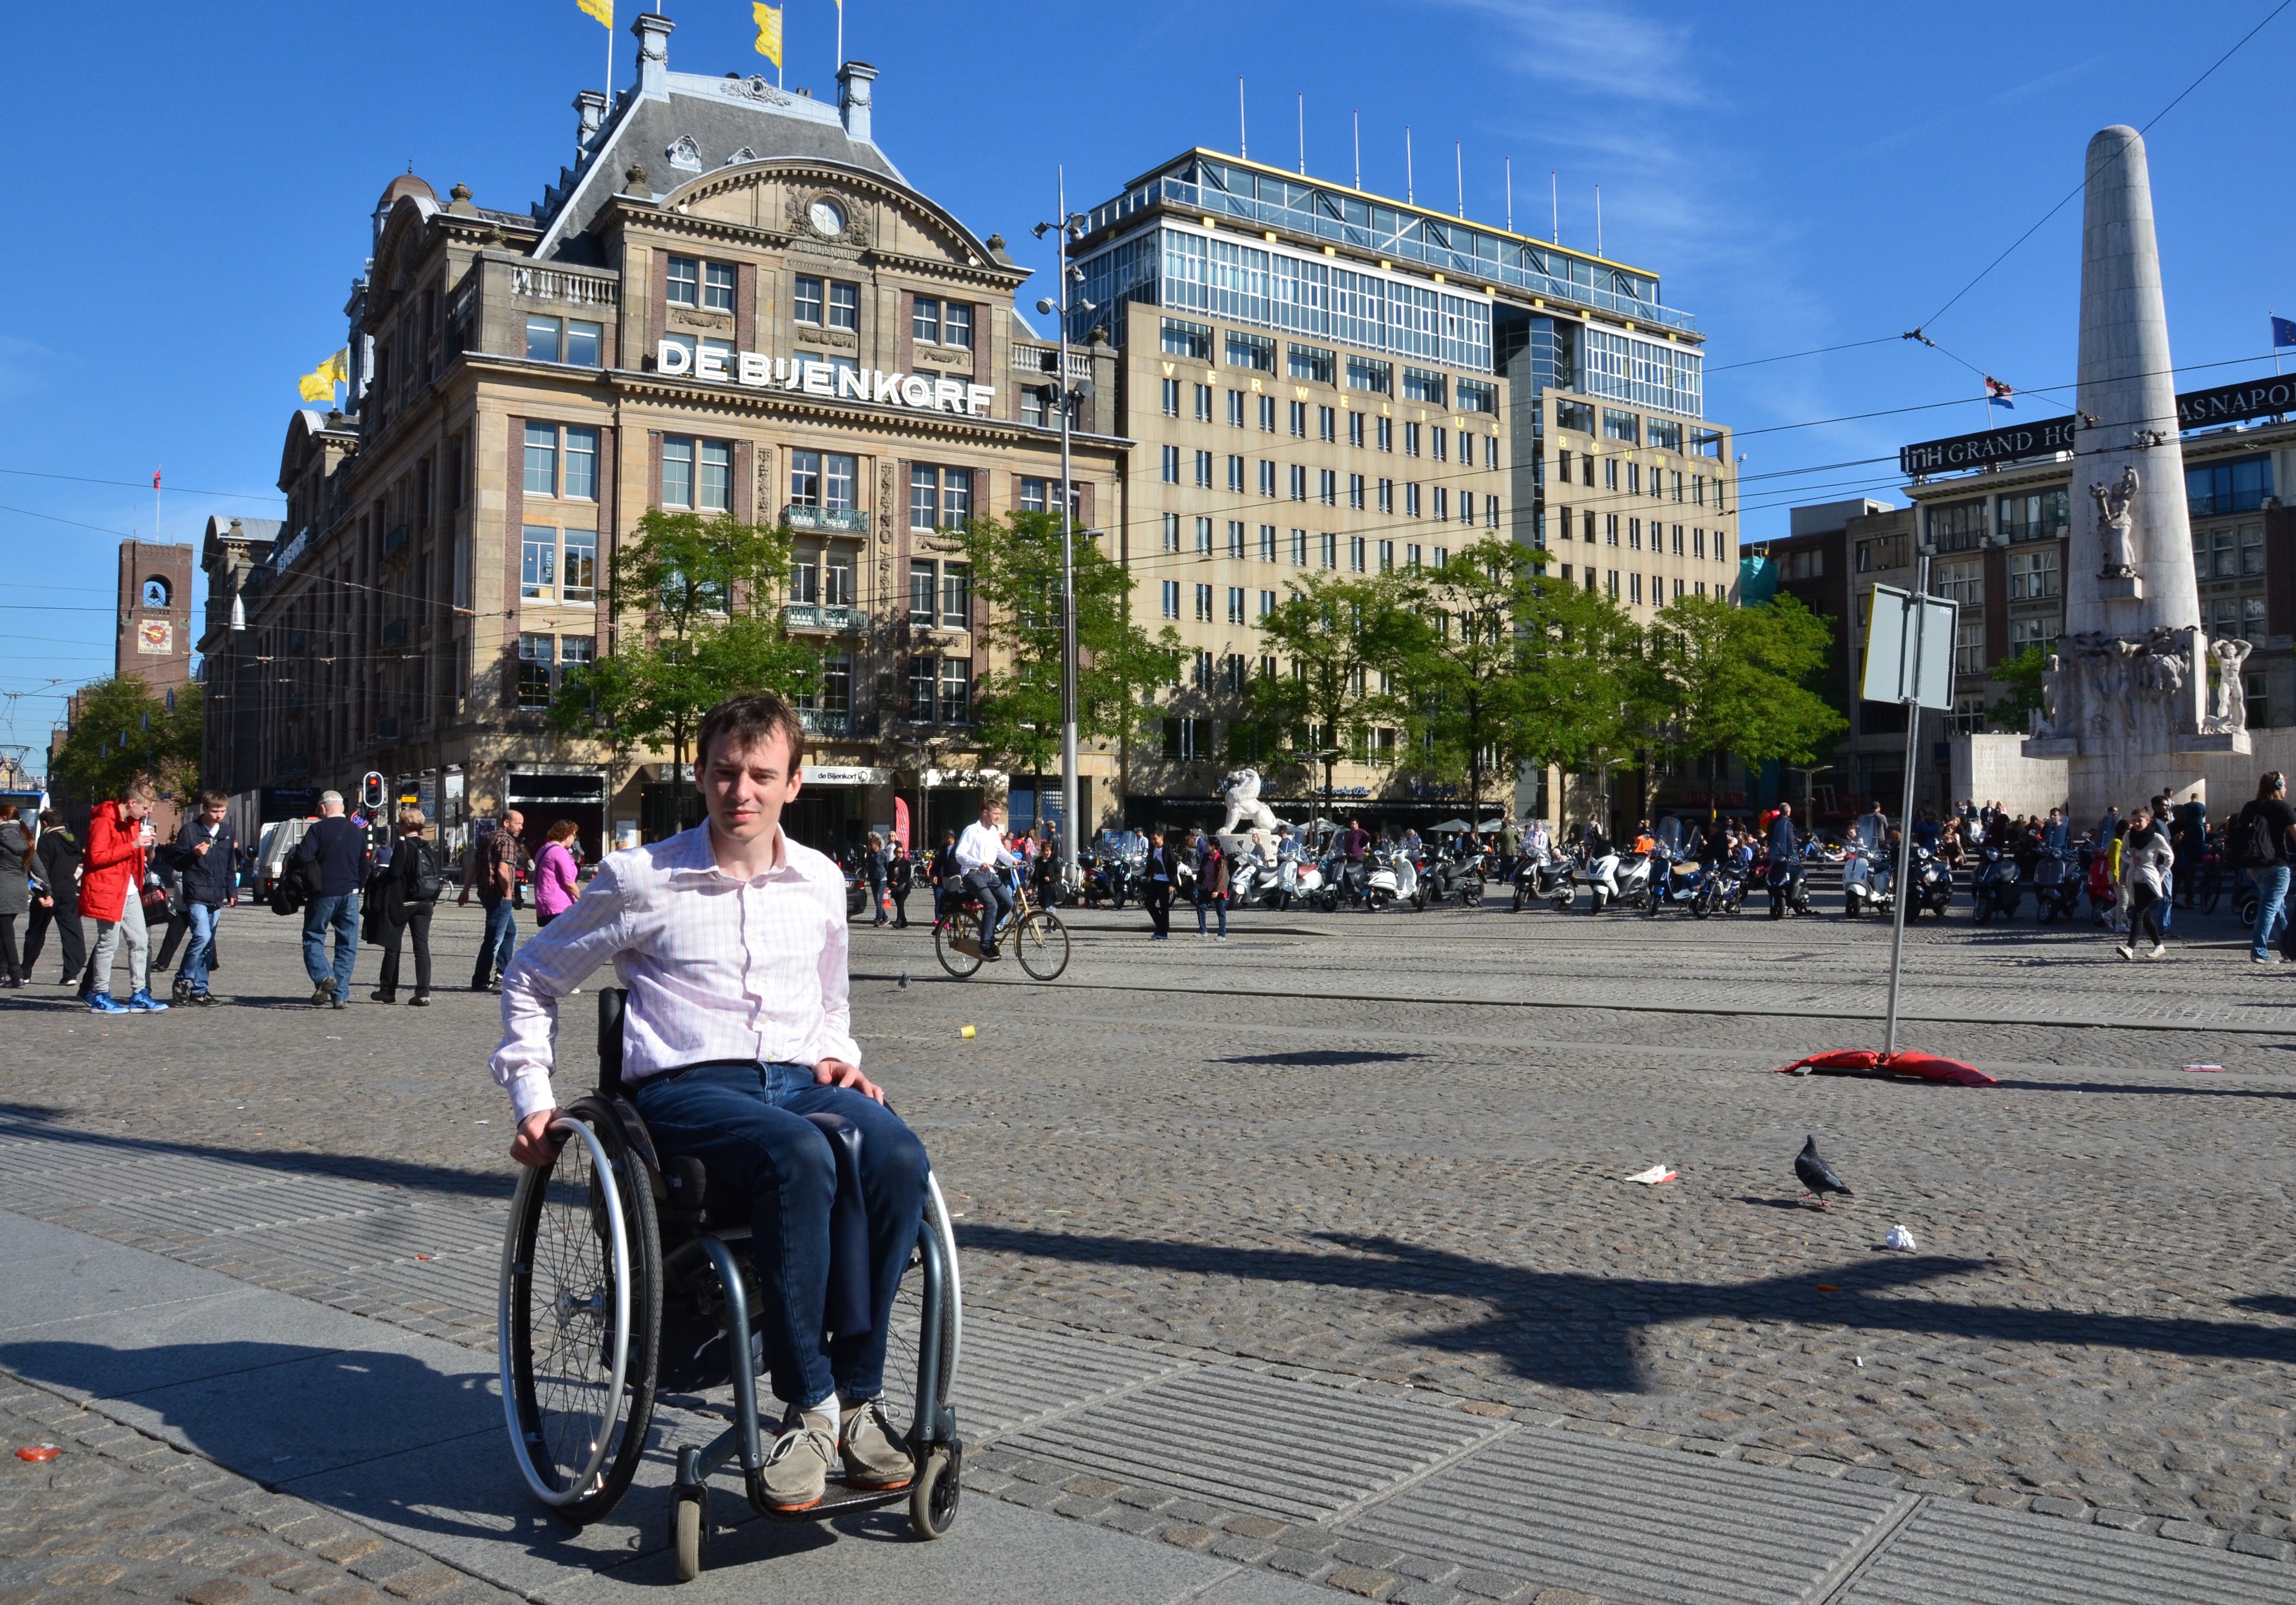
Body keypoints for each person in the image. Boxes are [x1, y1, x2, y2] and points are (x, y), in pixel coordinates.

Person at [492, 692, 926, 1514]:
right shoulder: (640, 879)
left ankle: (859, 1400)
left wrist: (840, 1053)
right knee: (796, 1154)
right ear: (698, 774)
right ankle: (811, 1407)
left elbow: (830, 997)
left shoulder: (820, 880)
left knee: (898, 1152)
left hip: (801, 1079)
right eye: (726, 772)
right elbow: (531, 976)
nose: (741, 792)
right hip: (689, 1090)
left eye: (761, 775)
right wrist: (532, 1096)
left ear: (794, 783)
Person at [81, 776, 167, 1013]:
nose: (148, 813)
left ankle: (140, 994)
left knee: (140, 940)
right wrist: (133, 845)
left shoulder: (132, 821)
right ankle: (100, 994)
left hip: (129, 888)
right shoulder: (104, 820)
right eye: (146, 808)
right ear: (132, 803)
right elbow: (95, 857)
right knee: (108, 943)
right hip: (107, 888)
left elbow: (139, 858)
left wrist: (149, 846)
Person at [293, 789, 369, 1009]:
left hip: (323, 893)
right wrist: (357, 887)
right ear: (342, 808)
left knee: (313, 937)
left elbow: (303, 857)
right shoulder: (356, 831)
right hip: (350, 894)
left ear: (323, 808)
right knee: (347, 944)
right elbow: (365, 866)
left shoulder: (317, 829)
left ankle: (324, 977)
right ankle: (340, 996)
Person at [159, 791, 236, 1006]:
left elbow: (230, 865)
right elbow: (177, 863)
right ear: (205, 809)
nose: (219, 815)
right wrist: (192, 854)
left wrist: (232, 891)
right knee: (202, 936)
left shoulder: (227, 831)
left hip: (217, 893)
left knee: (208, 943)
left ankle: (200, 990)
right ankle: (183, 979)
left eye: (223, 811)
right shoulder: (191, 831)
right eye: (215, 811)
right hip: (196, 892)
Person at [369, 808, 440, 1004]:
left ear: (405, 825)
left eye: (400, 823)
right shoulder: (427, 847)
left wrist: (379, 877)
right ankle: (423, 993)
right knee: (422, 948)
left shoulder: (403, 846)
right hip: (426, 902)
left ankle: (388, 990)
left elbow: (395, 873)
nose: (399, 827)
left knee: (393, 945)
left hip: (405, 902)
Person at [460, 811, 525, 991]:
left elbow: (474, 866)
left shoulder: (488, 838)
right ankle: (481, 980)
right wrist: (508, 894)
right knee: (494, 939)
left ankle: (502, 973)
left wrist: (465, 891)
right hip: (499, 896)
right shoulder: (507, 841)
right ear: (506, 823)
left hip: (486, 894)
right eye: (518, 823)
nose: (521, 827)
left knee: (510, 932)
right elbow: (503, 871)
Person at [2235, 772, 2296, 964]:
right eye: (2284, 784)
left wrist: (2247, 866)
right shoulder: (2284, 807)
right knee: (2269, 909)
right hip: (2278, 866)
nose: (2286, 788)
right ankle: (2259, 951)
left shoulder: (2250, 807)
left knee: (2277, 909)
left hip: (2255, 866)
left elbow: (2243, 838)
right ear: (2277, 785)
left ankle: (2289, 951)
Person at [24, 810, 85, 987]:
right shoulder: (72, 839)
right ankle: (71, 973)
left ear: (44, 823)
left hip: (49, 892)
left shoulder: (47, 840)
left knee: (36, 931)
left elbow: (41, 869)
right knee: (72, 932)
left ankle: (25, 971)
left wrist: (40, 893)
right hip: (68, 890)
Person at [954, 798, 1017, 961]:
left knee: (1008, 903)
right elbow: (959, 854)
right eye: (995, 813)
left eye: (999, 814)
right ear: (985, 813)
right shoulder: (972, 830)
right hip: (973, 874)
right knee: (991, 904)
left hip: (990, 874)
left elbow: (1000, 852)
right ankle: (985, 946)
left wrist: (1014, 861)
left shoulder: (994, 832)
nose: (998, 817)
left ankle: (985, 931)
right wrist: (978, 863)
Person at [2117, 806, 2174, 960]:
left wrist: (2161, 875)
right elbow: (2122, 852)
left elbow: (2170, 857)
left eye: (2140, 820)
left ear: (2148, 820)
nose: (2136, 824)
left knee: (2138, 913)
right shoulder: (2129, 835)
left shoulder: (2156, 838)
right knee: (2145, 915)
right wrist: (2130, 860)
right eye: (2134, 821)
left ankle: (2130, 948)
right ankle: (2159, 946)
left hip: (2149, 879)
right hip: (2134, 878)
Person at [0, 804, 30, 987]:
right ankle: (2, 973)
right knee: (4, 932)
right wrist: (46, 889)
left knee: (7, 935)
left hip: (3, 891)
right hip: (19, 891)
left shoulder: (2, 838)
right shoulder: (25, 838)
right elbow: (36, 865)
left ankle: (17, 975)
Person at [532, 820, 581, 929]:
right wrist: (583, 899)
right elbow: (569, 882)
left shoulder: (543, 849)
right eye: (573, 835)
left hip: (544, 901)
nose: (574, 839)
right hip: (559, 904)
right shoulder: (560, 852)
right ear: (566, 835)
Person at [1192, 828, 1230, 941]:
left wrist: (1217, 890)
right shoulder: (1206, 857)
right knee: (1201, 906)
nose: (1206, 846)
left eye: (1208, 844)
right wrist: (1198, 883)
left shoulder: (1220, 859)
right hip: (1206, 887)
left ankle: (1222, 934)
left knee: (1221, 912)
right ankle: (1203, 930)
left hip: (1217, 889)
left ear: (1213, 846)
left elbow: (1222, 876)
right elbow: (1202, 871)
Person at [1766, 801, 1800, 919]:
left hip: (1775, 854)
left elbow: (1770, 837)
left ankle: (1774, 898)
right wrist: (1794, 851)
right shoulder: (1789, 823)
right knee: (1791, 873)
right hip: (1786, 854)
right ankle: (1792, 896)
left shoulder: (1773, 822)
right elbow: (1791, 840)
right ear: (1788, 812)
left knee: (1775, 875)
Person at [1142, 828, 1176, 939]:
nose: (1153, 841)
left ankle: (1163, 932)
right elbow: (1151, 864)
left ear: (1161, 837)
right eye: (1152, 839)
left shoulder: (1168, 850)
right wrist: (1145, 875)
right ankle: (1161, 926)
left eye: (1155, 839)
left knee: (1164, 907)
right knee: (1149, 903)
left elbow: (1173, 867)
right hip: (1155, 880)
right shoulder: (1153, 849)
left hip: (1166, 882)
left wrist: (1172, 884)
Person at [862, 831, 889, 926]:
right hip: (873, 879)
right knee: (877, 901)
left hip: (882, 879)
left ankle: (878, 918)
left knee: (879, 898)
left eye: (872, 845)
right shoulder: (869, 855)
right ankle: (885, 917)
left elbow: (887, 866)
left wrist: (888, 878)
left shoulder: (883, 854)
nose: (870, 847)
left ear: (877, 845)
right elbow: (868, 866)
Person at [887, 841, 914, 928]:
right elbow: (889, 875)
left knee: (901, 902)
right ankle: (904, 922)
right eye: (899, 852)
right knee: (899, 905)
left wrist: (898, 882)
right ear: (895, 853)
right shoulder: (891, 864)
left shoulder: (907, 863)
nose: (900, 854)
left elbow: (907, 876)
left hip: (904, 887)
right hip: (894, 888)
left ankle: (898, 921)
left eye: (902, 852)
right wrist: (891, 882)